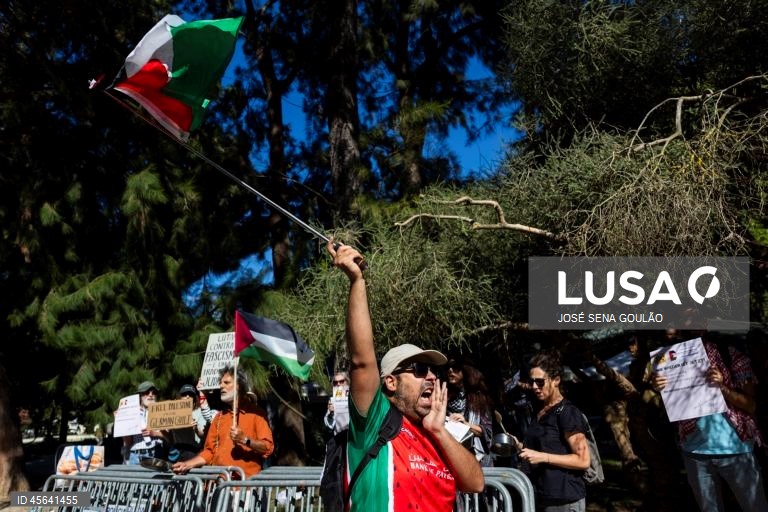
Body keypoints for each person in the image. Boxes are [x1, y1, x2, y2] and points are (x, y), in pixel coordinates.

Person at [327, 241, 484, 512]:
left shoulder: (441, 433)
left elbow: (476, 484)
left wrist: (440, 431)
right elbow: (362, 361)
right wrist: (357, 282)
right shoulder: (375, 421)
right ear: (391, 381)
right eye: (420, 370)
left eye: (433, 371)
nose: (432, 378)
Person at [651, 334, 768, 512]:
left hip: (736, 451)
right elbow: (670, 409)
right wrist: (660, 389)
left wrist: (723, 387)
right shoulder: (669, 359)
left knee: (755, 507)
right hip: (694, 452)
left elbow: (751, 406)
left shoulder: (729, 355)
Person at [519, 351, 590, 512]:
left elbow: (583, 460)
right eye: (532, 382)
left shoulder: (568, 412)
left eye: (540, 382)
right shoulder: (540, 410)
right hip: (541, 496)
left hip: (565, 499)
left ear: (556, 380)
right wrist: (519, 445)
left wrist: (543, 457)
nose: (535, 387)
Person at [172, 365, 274, 477]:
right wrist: (186, 465)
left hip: (244, 487)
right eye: (221, 382)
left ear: (239, 386)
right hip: (218, 484)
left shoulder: (257, 414)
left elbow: (267, 448)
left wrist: (245, 440)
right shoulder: (219, 417)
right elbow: (209, 452)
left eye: (226, 383)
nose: (221, 386)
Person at [446, 354, 494, 467]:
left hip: (477, 458)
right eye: (448, 367)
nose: (450, 370)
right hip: (452, 455)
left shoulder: (478, 397)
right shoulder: (444, 395)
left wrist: (465, 425)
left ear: (465, 370)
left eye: (455, 367)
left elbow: (487, 432)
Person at [122, 381, 170, 464]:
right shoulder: (131, 413)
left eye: (154, 392)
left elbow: (170, 438)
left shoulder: (163, 412)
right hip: (135, 456)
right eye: (147, 392)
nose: (151, 395)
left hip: (156, 454)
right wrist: (123, 424)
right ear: (140, 396)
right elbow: (128, 442)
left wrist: (154, 433)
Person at [168, 384, 209, 462]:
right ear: (179, 398)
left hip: (193, 453)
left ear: (194, 400)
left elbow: (203, 436)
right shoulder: (172, 413)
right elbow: (168, 437)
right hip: (176, 455)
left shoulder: (200, 413)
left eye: (190, 395)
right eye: (184, 394)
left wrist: (196, 428)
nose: (187, 396)